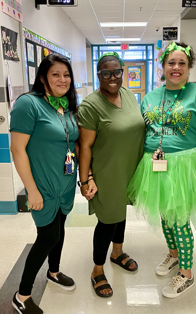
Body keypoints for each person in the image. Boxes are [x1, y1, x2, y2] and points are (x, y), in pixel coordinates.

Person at [127, 42, 196, 298]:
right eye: (171, 63)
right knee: (166, 217)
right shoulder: (150, 97)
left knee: (180, 220)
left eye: (182, 63)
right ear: (163, 66)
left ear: (189, 67)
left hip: (184, 166)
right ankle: (174, 255)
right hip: (155, 164)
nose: (176, 68)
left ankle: (187, 275)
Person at [10, 54, 79, 314]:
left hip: (65, 184)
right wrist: (32, 190)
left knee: (59, 230)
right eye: (56, 74)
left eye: (66, 75)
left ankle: (54, 271)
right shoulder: (28, 104)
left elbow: (72, 142)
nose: (63, 79)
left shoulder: (67, 105)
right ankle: (22, 294)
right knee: (47, 236)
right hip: (43, 186)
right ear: (42, 78)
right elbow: (18, 150)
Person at [77, 52, 145, 298]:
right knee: (107, 220)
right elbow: (84, 146)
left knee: (120, 212)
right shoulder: (91, 105)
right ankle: (97, 270)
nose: (113, 77)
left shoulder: (128, 95)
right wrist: (86, 180)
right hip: (106, 172)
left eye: (117, 72)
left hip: (128, 169)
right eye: (106, 73)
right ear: (99, 75)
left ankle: (117, 252)